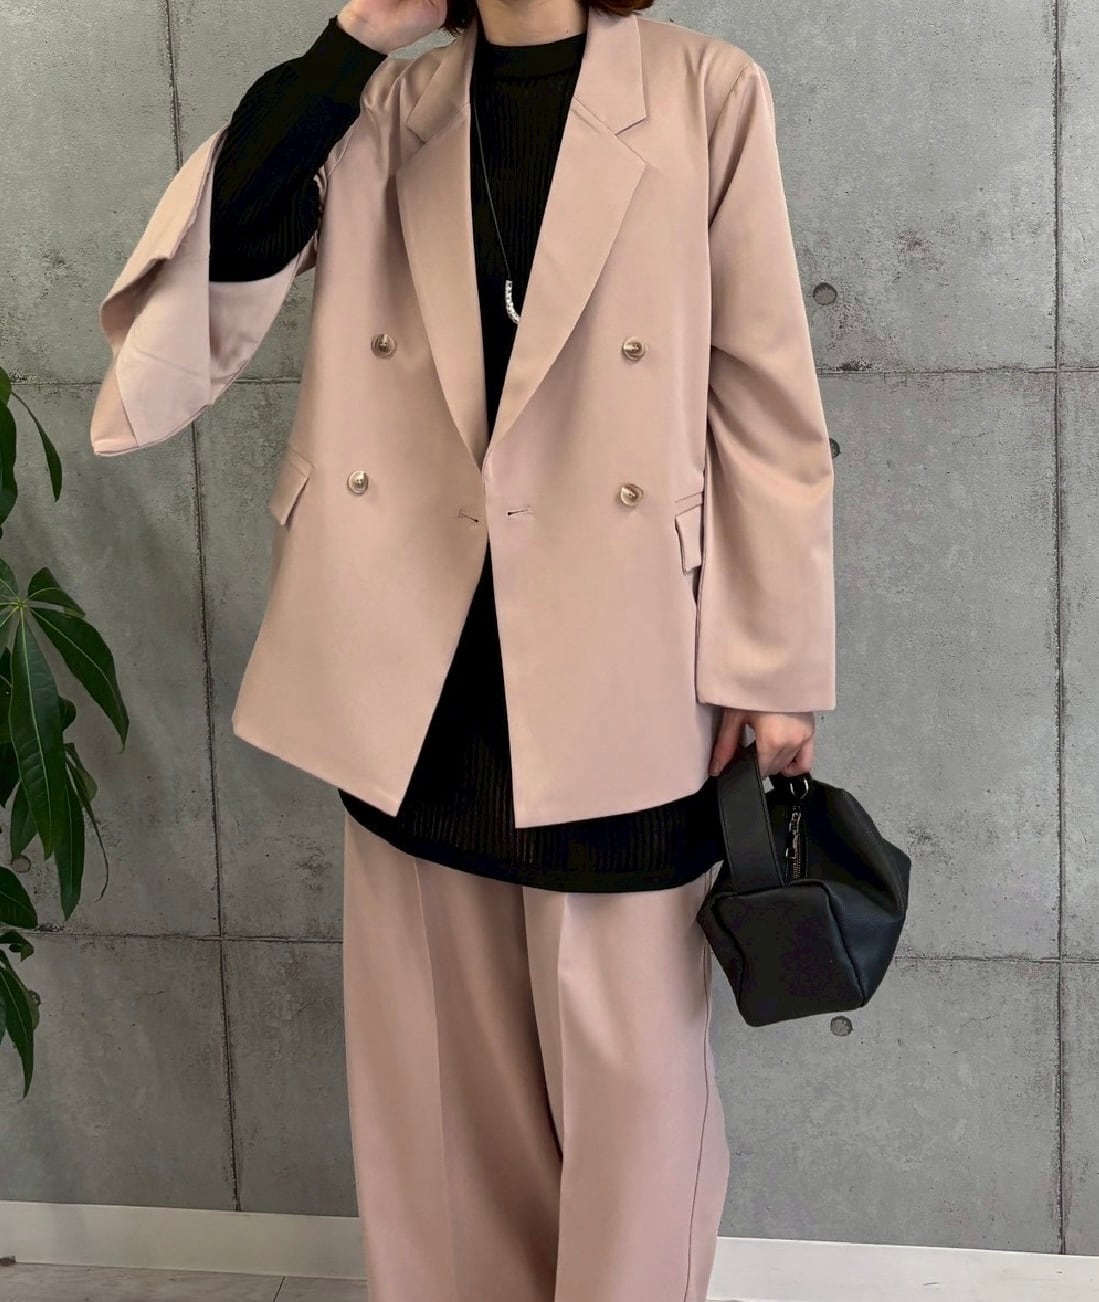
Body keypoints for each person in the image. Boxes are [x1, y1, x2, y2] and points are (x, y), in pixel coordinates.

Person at [96, 0, 835, 1297]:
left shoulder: (708, 93)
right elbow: (215, 276)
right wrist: (356, 37)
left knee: (637, 1127)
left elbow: (763, 396)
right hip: (417, 692)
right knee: (440, 1138)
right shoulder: (387, 104)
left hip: (627, 677)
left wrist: (771, 667)